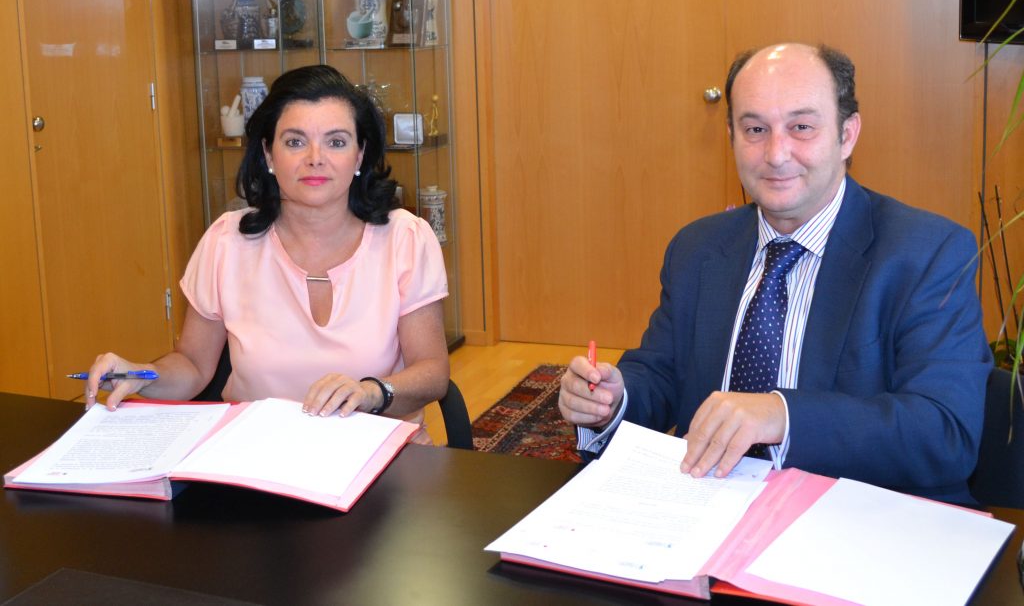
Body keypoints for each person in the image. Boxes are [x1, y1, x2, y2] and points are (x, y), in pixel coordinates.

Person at [558, 43, 992, 503]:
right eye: (755, 129)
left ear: (847, 135)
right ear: (731, 136)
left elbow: (945, 431)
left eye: (801, 127)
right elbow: (661, 375)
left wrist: (782, 416)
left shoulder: (927, 253)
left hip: (855, 514)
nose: (776, 153)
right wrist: (611, 400)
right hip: (708, 508)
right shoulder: (698, 248)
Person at [85, 65, 450, 442]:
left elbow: (433, 371)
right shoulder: (227, 241)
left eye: (336, 142)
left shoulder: (405, 238)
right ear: (268, 154)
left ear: (359, 156)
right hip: (255, 453)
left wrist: (372, 392)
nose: (315, 158)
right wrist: (140, 374)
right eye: (295, 142)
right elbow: (192, 364)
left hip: (379, 452)